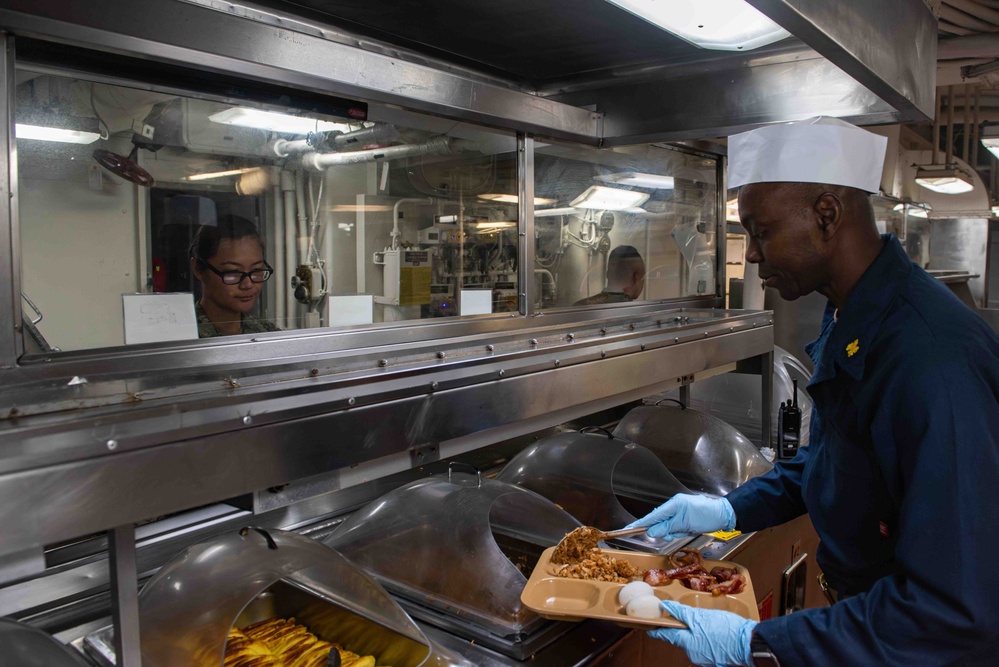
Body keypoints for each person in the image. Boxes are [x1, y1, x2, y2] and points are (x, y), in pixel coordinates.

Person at [628, 117, 999, 666]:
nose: (751, 255)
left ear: (826, 216)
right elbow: (834, 461)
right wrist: (727, 510)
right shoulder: (849, 314)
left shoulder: (930, 359)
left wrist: (756, 644)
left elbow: (950, 610)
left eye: (760, 231)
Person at [189, 214, 280, 337]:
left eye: (256, 270)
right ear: (198, 268)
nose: (248, 284)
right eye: (233, 273)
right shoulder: (184, 336)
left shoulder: (267, 334)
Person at [573, 245, 646, 305]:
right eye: (643, 277)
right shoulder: (635, 313)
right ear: (636, 278)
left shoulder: (578, 307)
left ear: (608, 274)